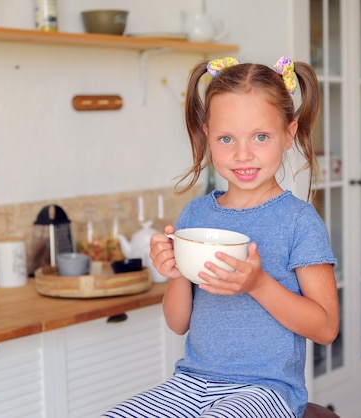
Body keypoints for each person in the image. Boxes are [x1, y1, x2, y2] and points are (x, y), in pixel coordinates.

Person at [101, 57, 339, 418]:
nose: (243, 154)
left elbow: (326, 328)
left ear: (289, 135)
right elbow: (178, 322)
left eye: (261, 136)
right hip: (191, 383)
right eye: (226, 138)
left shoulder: (299, 221)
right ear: (206, 134)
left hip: (267, 390)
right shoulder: (195, 216)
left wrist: (258, 284)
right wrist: (176, 273)